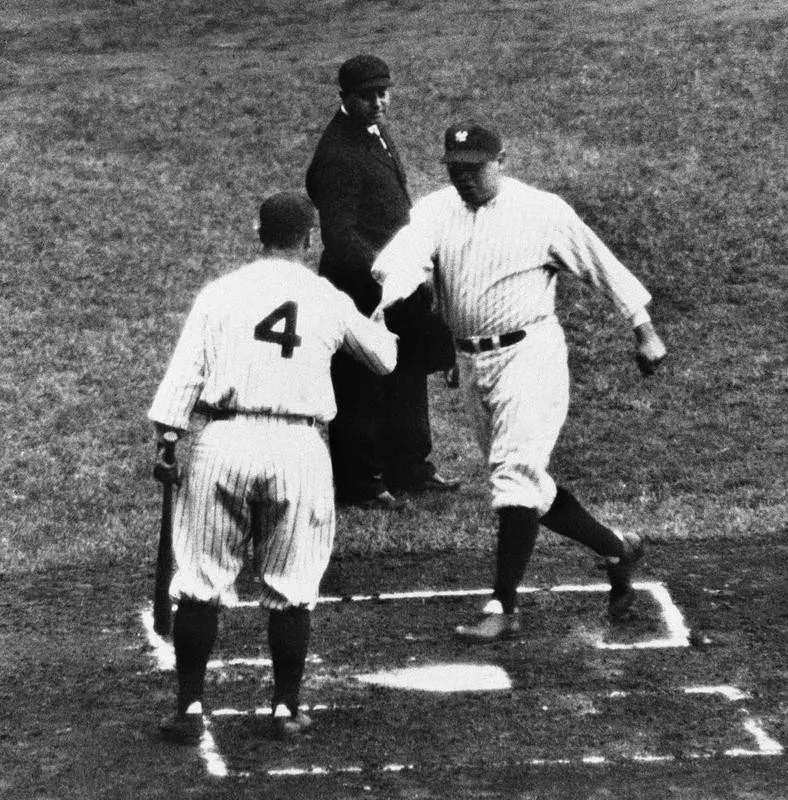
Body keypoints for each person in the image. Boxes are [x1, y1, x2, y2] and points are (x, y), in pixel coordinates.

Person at [371, 122, 668, 642]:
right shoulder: (435, 209)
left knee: (515, 478)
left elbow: (604, 266)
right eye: (455, 170)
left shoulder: (543, 211)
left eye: (474, 168)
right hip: (471, 364)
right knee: (528, 487)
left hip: (530, 356)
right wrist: (390, 296)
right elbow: (403, 259)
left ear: (501, 161)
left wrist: (644, 330)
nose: (463, 179)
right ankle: (618, 547)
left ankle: (502, 606)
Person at [148, 192, 398, 742]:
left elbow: (184, 374)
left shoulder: (220, 293)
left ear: (257, 230)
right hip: (299, 448)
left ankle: (189, 708)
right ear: (309, 238)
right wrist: (381, 317)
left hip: (224, 440)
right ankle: (285, 709)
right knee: (292, 584)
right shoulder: (324, 295)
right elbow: (383, 358)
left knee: (200, 581)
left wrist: (167, 441)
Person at [305, 54, 459, 509]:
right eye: (368, 95)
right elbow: (340, 236)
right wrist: (384, 273)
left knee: (407, 372)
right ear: (344, 98)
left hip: (396, 280)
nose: (379, 101)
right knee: (359, 386)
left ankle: (409, 466)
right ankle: (360, 484)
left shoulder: (375, 131)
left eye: (383, 92)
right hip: (360, 288)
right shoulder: (337, 153)